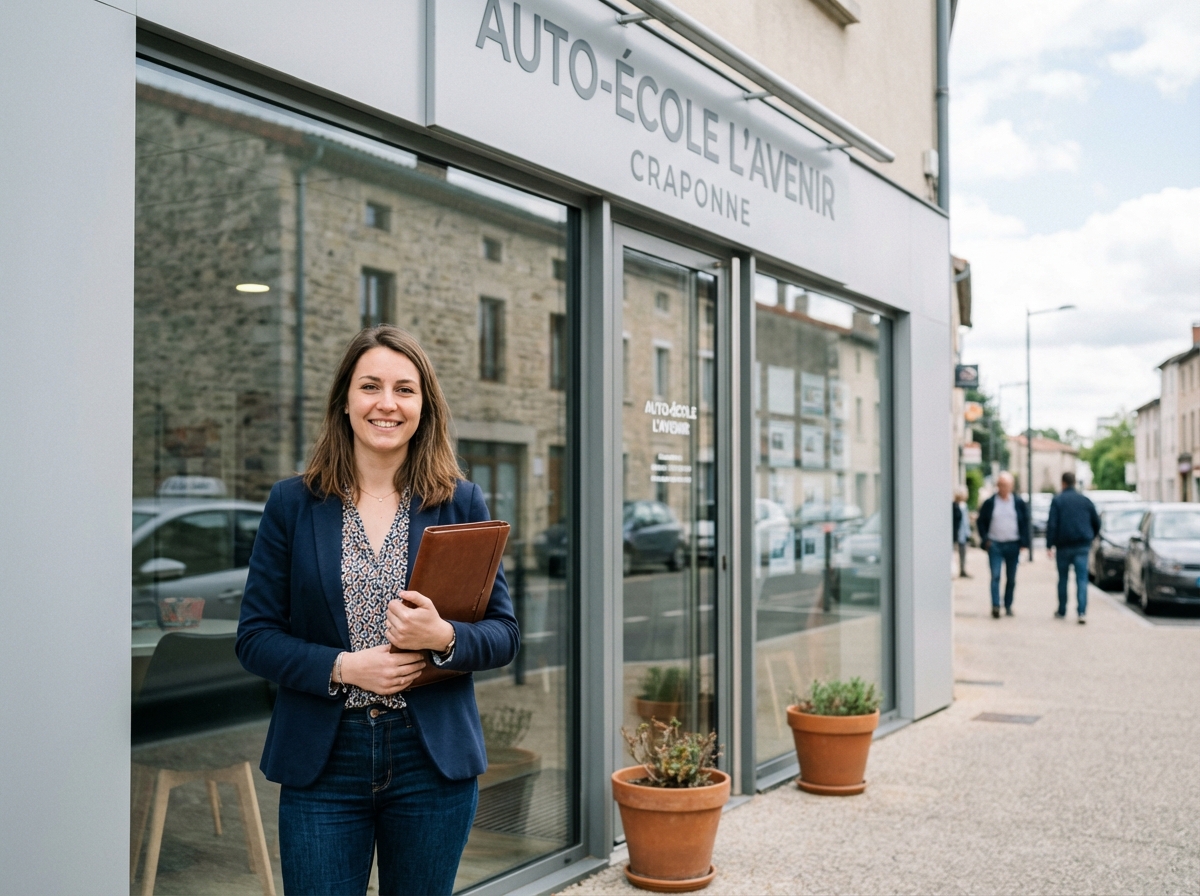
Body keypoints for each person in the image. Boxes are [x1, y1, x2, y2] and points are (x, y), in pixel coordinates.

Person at [236, 326, 520, 896]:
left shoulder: (459, 501)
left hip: (429, 759)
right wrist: (343, 666)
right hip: (324, 757)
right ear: (346, 400)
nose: (386, 403)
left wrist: (444, 636)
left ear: (424, 406)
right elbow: (255, 637)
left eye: (404, 389)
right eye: (370, 386)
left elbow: (504, 633)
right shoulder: (293, 503)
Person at [1046, 471, 1101, 624]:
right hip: (1082, 545)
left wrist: (1049, 545)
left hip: (1063, 546)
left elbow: (1052, 524)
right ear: (1075, 482)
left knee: (1062, 579)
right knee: (1082, 580)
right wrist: (1091, 536)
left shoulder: (1058, 500)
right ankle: (1081, 612)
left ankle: (1062, 610)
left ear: (1063, 483)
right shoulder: (1085, 501)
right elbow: (1096, 522)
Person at [976, 471, 1030, 619]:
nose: (1002, 488)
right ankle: (995, 605)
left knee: (1011, 578)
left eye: (1005, 485)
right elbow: (981, 522)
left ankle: (1008, 605)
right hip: (995, 545)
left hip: (1013, 544)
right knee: (995, 575)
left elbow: (1025, 523)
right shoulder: (990, 503)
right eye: (1000, 485)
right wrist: (986, 539)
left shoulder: (1018, 503)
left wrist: (1024, 542)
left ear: (1011, 486)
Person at [952, 488, 971, 577]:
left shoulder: (964, 506)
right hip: (957, 532)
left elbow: (965, 521)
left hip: (963, 532)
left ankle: (962, 569)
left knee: (963, 552)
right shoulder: (954, 506)